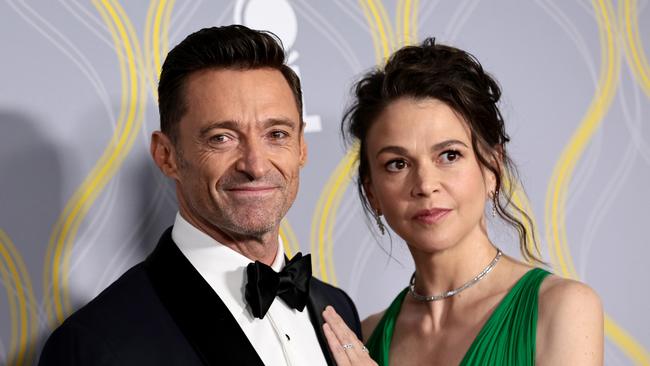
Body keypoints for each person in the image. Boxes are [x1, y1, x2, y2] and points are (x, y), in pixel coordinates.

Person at [38, 25, 361, 366]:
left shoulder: (337, 309)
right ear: (167, 155)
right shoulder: (94, 345)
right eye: (222, 138)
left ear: (301, 147)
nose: (255, 165)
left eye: (276, 134)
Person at [322, 38, 603, 365]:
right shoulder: (365, 337)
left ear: (492, 169)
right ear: (372, 193)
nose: (425, 185)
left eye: (449, 155)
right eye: (397, 164)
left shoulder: (562, 308)